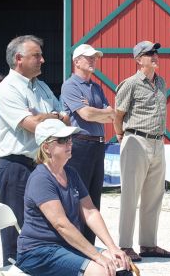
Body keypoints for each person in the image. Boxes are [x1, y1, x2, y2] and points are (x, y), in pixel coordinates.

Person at [16, 119, 130, 276]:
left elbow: (90, 212)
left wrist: (112, 247)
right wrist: (97, 256)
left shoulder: (71, 173)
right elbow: (61, 225)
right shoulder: (41, 178)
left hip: (65, 245)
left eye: (70, 139)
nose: (69, 143)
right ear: (46, 147)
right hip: (38, 252)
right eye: (62, 140)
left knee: (123, 265)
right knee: (102, 272)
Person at [0, 35, 69, 265]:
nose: (43, 60)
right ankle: (13, 266)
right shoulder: (7, 90)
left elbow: (65, 117)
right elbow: (33, 127)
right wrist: (50, 118)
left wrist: (46, 117)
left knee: (44, 225)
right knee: (16, 228)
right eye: (36, 56)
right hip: (17, 167)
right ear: (18, 59)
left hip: (41, 166)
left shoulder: (42, 86)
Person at [114, 41, 170, 262]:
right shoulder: (129, 84)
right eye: (150, 53)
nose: (155, 56)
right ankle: (125, 245)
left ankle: (148, 244)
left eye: (156, 52)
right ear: (139, 60)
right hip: (136, 141)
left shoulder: (161, 83)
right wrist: (122, 136)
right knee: (130, 196)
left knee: (154, 196)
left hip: (158, 142)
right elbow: (118, 115)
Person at [60, 43, 115, 244]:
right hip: (80, 145)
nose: (93, 60)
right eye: (89, 57)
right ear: (77, 61)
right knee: (77, 198)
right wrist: (101, 113)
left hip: (98, 145)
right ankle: (76, 245)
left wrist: (98, 113)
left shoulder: (96, 87)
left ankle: (89, 245)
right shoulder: (70, 85)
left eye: (95, 57)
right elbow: (86, 114)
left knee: (93, 197)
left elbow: (112, 114)